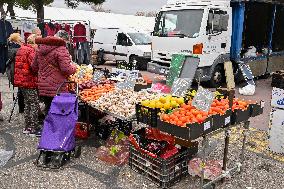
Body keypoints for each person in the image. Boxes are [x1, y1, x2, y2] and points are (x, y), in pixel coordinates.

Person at [32, 35, 76, 116]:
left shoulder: (39, 50)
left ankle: (49, 127)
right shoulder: (61, 50)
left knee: (48, 108)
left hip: (43, 87)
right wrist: (74, 68)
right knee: (59, 112)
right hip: (58, 87)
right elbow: (66, 69)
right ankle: (57, 127)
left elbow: (34, 67)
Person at [14, 34, 41, 136]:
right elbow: (34, 67)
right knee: (34, 104)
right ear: (34, 43)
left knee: (27, 104)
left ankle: (27, 127)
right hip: (29, 81)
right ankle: (33, 128)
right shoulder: (31, 51)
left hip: (22, 82)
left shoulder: (21, 49)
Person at [7, 33, 25, 113]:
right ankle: (22, 108)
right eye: (20, 39)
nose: (22, 41)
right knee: (21, 90)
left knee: (20, 90)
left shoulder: (10, 48)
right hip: (19, 70)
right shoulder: (18, 49)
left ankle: (21, 108)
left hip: (14, 71)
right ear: (17, 40)